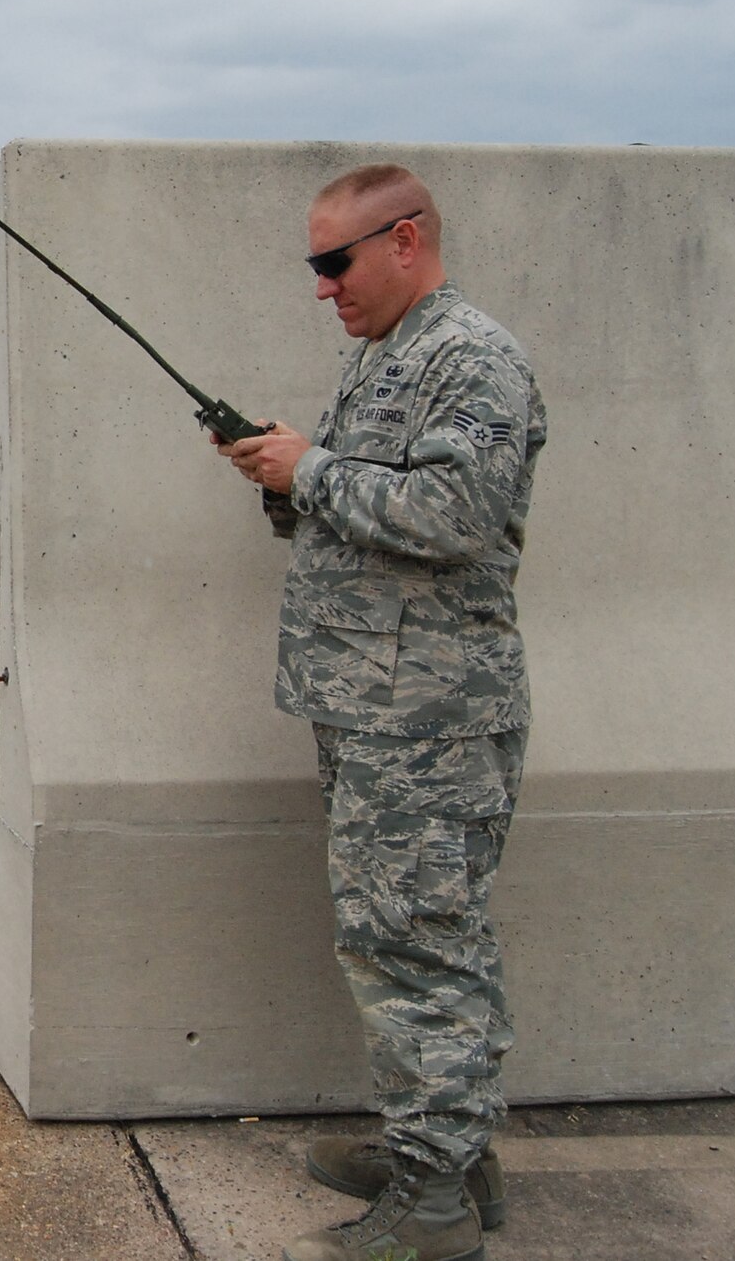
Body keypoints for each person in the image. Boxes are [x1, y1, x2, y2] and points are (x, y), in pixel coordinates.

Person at [219, 164, 546, 1261]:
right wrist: (284, 478)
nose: (321, 288)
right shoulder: (386, 357)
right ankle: (447, 1151)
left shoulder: (470, 359)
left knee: (415, 944)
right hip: (374, 704)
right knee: (403, 935)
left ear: (403, 240)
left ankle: (434, 1201)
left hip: (428, 718)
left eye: (334, 262)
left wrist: (308, 468)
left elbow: (452, 513)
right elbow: (363, 515)